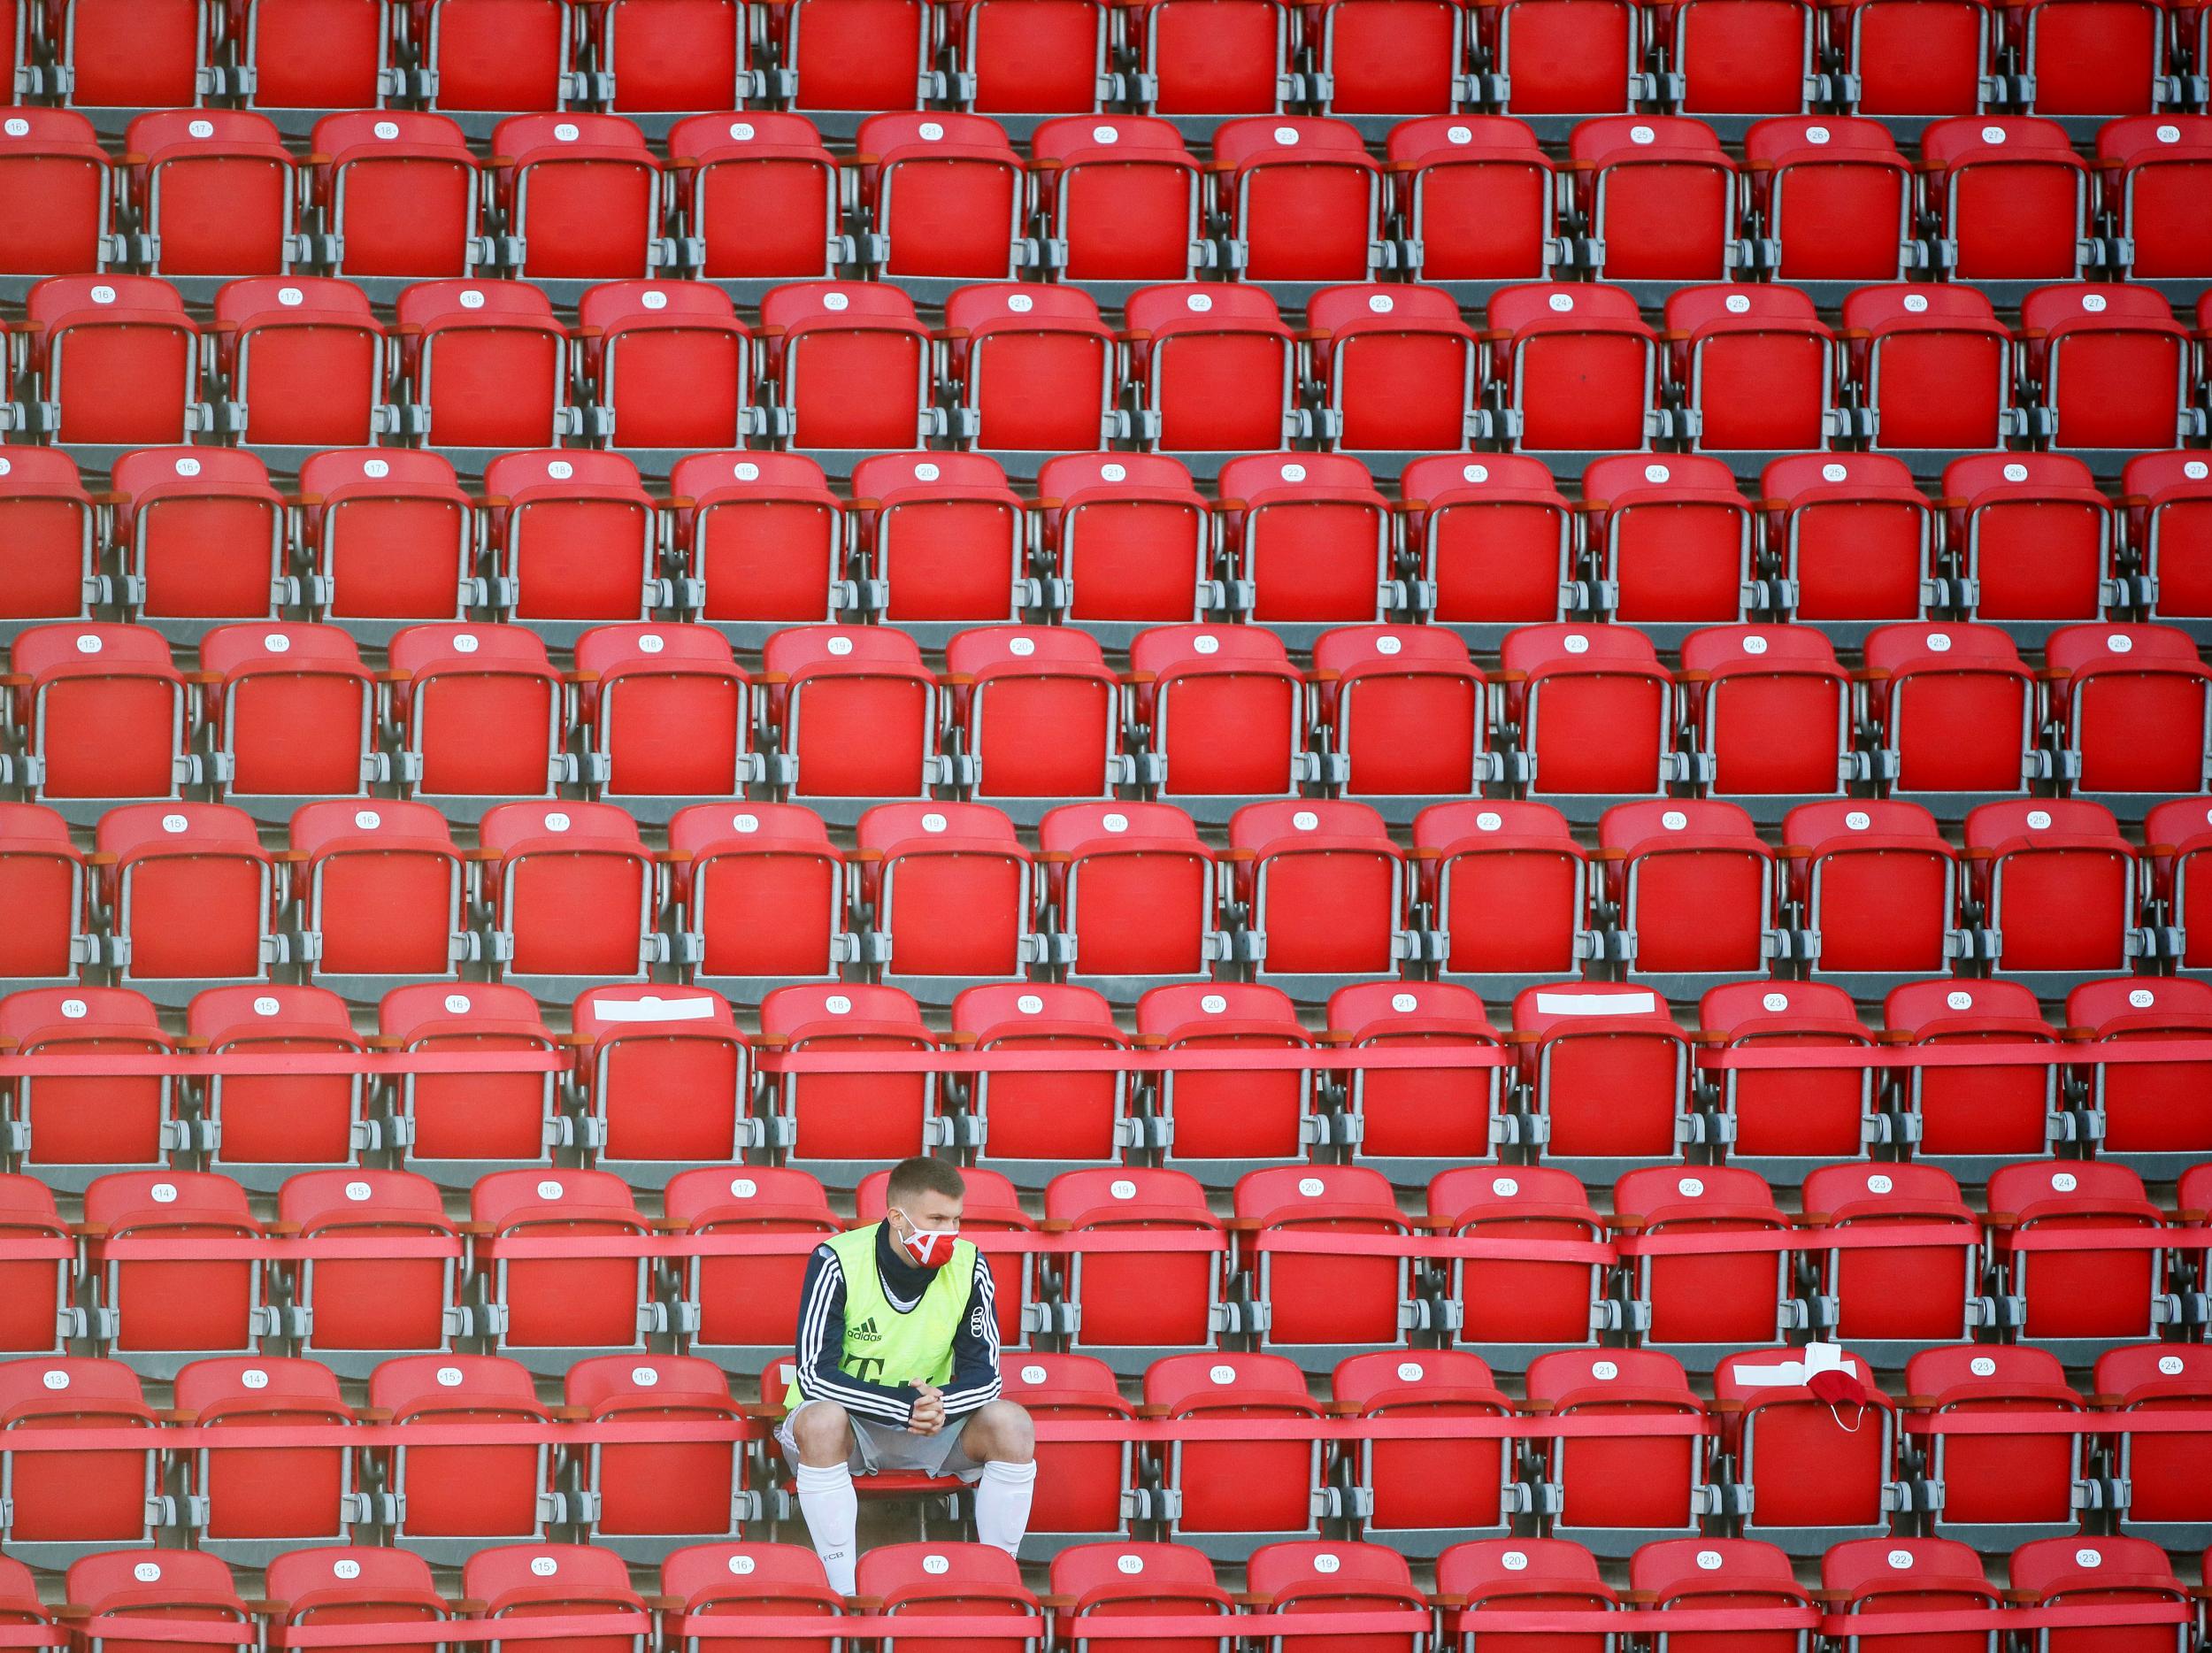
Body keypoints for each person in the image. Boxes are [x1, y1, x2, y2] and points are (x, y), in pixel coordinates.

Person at [780, 1156, 1036, 1594]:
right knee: (821, 1418)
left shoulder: (970, 1264)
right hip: (848, 1433)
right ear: (897, 1217)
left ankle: (1000, 1582)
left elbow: (987, 1374)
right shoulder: (836, 1259)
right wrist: (905, 1408)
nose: (949, 1233)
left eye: (956, 1220)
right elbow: (814, 1375)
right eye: (936, 1219)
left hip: (930, 1430)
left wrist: (941, 1407)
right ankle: (843, 1593)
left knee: (1011, 1421)